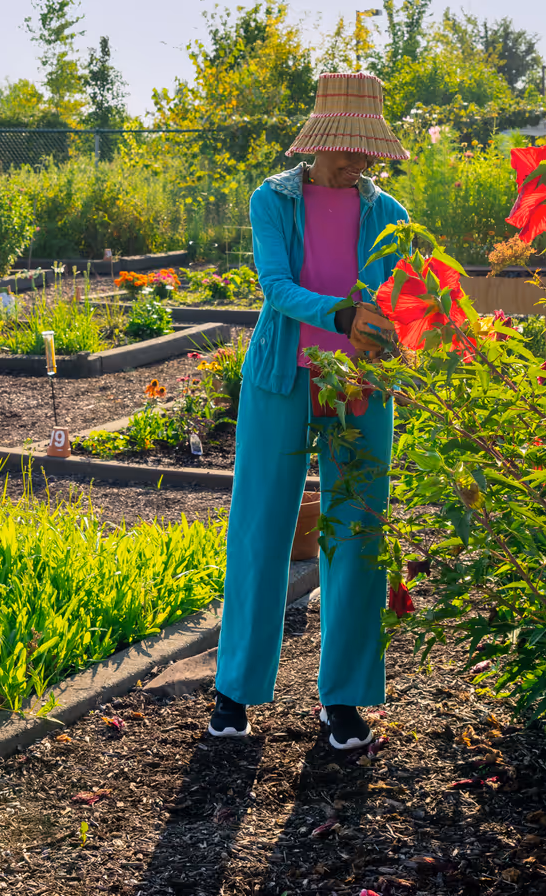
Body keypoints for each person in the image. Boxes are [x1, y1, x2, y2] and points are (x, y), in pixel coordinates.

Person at [211, 71, 408, 752]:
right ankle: (234, 688)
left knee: (358, 531)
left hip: (359, 383)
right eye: (352, 147)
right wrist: (339, 313)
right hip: (283, 378)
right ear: (322, 140)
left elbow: (390, 302)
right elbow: (274, 286)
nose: (362, 160)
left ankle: (343, 698)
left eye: (370, 149)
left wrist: (376, 334)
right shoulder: (273, 199)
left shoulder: (391, 216)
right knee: (261, 527)